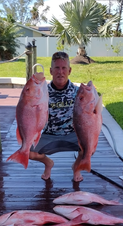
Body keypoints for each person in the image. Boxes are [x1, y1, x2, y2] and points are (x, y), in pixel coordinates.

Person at [29, 51, 84, 182]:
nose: (60, 72)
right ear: (51, 71)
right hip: (49, 135)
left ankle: (76, 167)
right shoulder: (42, 93)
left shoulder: (79, 92)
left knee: (89, 147)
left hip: (73, 135)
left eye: (64, 68)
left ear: (69, 70)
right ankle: (48, 163)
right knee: (28, 152)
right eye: (57, 68)